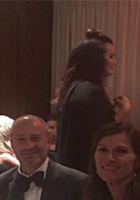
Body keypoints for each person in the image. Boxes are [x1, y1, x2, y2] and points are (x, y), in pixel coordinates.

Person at [55, 28, 132, 173]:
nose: (114, 62)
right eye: (111, 56)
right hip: (84, 170)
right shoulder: (91, 92)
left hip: (69, 168)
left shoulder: (74, 88)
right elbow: (103, 135)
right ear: (96, 59)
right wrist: (124, 111)